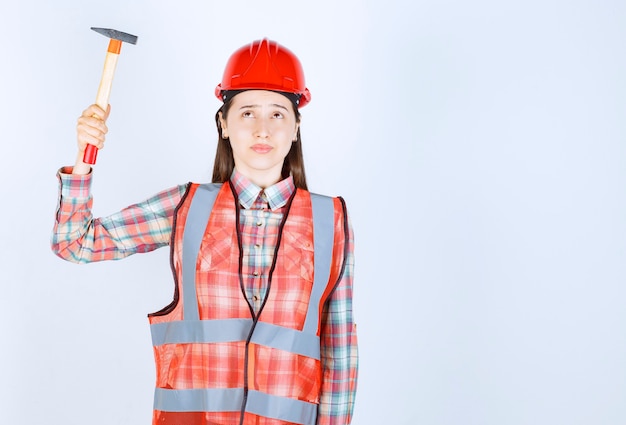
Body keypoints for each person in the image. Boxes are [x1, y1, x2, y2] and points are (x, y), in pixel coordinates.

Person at [51, 38, 358, 425]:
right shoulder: (187, 206)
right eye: (247, 113)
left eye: (278, 114)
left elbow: (340, 349)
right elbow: (74, 244)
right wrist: (83, 157)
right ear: (224, 124)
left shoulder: (330, 219)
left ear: (296, 127)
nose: (262, 129)